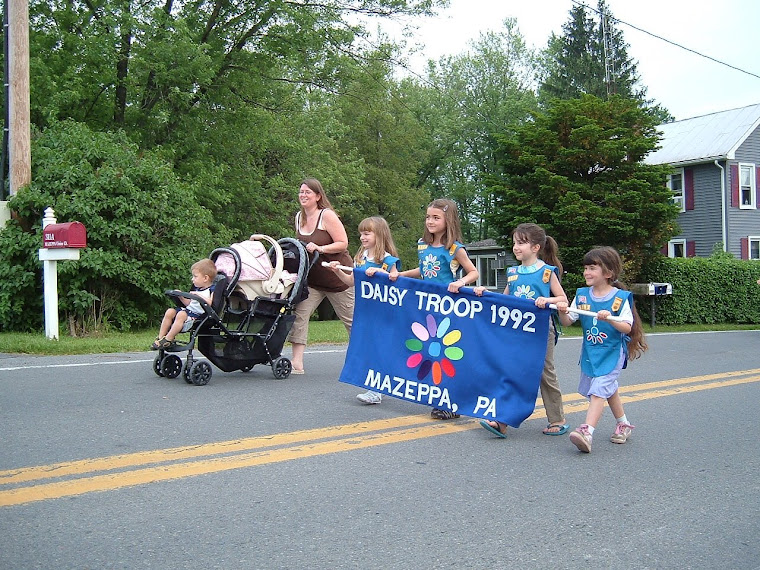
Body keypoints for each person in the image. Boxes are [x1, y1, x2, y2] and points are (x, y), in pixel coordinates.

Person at [473, 223, 569, 439]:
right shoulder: (513, 272)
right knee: (511, 371)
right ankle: (502, 421)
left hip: (542, 330)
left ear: (535, 247)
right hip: (517, 331)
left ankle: (557, 419)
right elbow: (504, 299)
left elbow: (562, 299)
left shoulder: (546, 272)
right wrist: (483, 293)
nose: (516, 247)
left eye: (521, 243)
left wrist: (548, 300)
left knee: (545, 373)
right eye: (515, 242)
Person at [390, 198, 479, 419]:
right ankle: (439, 397)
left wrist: (460, 283)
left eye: (436, 217)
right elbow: (422, 270)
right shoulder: (423, 245)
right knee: (429, 351)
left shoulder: (454, 248)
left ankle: (450, 403)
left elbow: (473, 272)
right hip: (426, 306)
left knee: (446, 354)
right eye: (428, 217)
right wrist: (400, 275)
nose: (430, 221)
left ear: (448, 220)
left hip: (446, 307)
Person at [556, 246, 648, 453]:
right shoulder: (581, 296)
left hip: (612, 352)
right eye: (586, 268)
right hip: (591, 352)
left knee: (599, 390)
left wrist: (611, 319)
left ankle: (586, 431)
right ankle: (623, 424)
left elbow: (627, 326)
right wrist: (562, 312)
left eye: (592, 268)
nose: (586, 273)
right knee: (608, 388)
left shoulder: (619, 298)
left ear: (608, 273)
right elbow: (569, 320)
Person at [327, 216, 401, 404]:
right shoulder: (359, 258)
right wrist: (337, 271)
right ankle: (374, 386)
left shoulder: (387, 259)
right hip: (364, 311)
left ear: (379, 235)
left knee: (378, 348)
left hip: (382, 312)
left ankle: (377, 390)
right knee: (367, 348)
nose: (362, 237)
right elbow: (351, 281)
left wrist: (380, 273)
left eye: (367, 233)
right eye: (361, 234)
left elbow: (395, 279)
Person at [289, 178, 354, 374]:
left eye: (308, 192)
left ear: (318, 196)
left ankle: (362, 360)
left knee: (353, 322)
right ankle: (297, 363)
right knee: (299, 315)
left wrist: (321, 248)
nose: (303, 195)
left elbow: (343, 243)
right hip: (314, 280)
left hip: (338, 279)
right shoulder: (299, 217)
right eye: (301, 192)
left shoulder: (327, 216)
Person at [151, 258, 217, 350]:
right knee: (170, 311)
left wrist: (197, 295)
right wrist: (181, 297)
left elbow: (210, 303)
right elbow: (189, 304)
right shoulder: (197, 289)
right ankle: (160, 338)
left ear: (205, 278)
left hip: (198, 316)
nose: (192, 279)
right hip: (188, 311)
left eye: (195, 276)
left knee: (181, 314)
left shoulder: (212, 290)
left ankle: (168, 339)